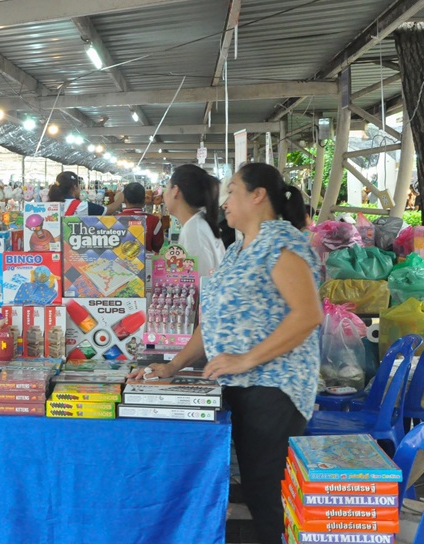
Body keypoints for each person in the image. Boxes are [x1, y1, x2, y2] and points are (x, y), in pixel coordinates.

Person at [130, 163, 321, 544]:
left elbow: (307, 315)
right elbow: (214, 320)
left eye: (233, 191)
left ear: (258, 196)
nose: (225, 201)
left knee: (268, 492)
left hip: (274, 388)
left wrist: (245, 359)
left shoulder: (279, 245)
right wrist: (173, 365)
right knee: (255, 485)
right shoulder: (239, 249)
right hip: (244, 386)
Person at [163, 164, 226, 277]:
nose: (164, 194)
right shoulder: (198, 224)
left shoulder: (194, 232)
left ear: (175, 191)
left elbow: (200, 281)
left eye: (167, 187)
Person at [115, 182, 165, 253]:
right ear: (144, 200)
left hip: (120, 259)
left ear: (124, 200)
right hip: (146, 259)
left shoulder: (114, 220)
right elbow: (157, 247)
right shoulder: (154, 221)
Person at [48, 171, 123, 216]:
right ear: (75, 187)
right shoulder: (81, 206)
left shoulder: (48, 205)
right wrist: (120, 197)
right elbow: (109, 210)